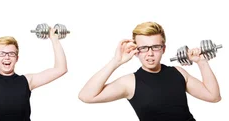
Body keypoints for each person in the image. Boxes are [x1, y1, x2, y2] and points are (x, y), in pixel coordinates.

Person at [78, 21, 221, 121]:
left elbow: (213, 97)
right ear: (136, 51)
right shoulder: (129, 83)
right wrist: (116, 62)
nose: (150, 53)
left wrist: (202, 62)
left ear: (163, 49)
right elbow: (86, 96)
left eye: (155, 47)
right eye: (144, 48)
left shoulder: (178, 72)